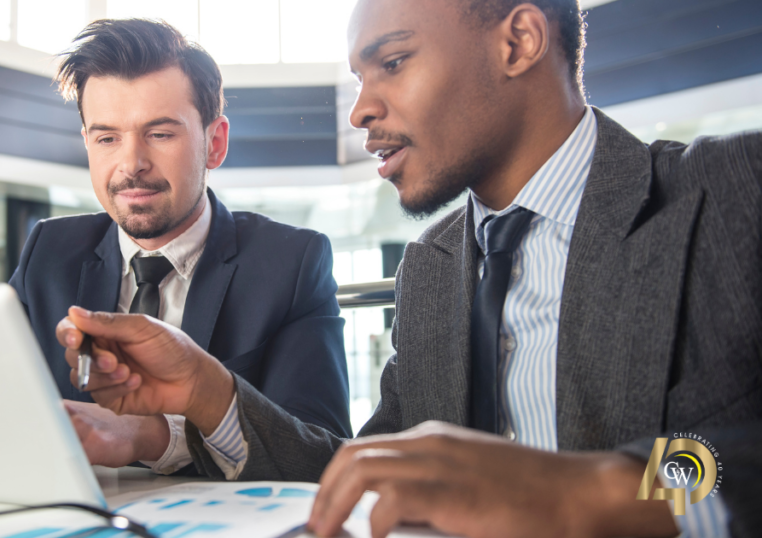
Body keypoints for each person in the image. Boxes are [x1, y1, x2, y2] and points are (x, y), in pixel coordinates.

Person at [58, 0, 761, 537]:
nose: (362, 107)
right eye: (360, 76)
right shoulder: (432, 268)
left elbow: (737, 454)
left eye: (391, 62)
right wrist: (208, 392)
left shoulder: (730, 192)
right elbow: (361, 471)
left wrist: (600, 488)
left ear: (517, 41)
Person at [0, 19, 351, 480]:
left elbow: (320, 453)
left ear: (215, 141)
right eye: (106, 138)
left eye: (161, 132)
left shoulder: (292, 261)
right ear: (87, 144)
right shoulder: (51, 249)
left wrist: (153, 434)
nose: (130, 165)